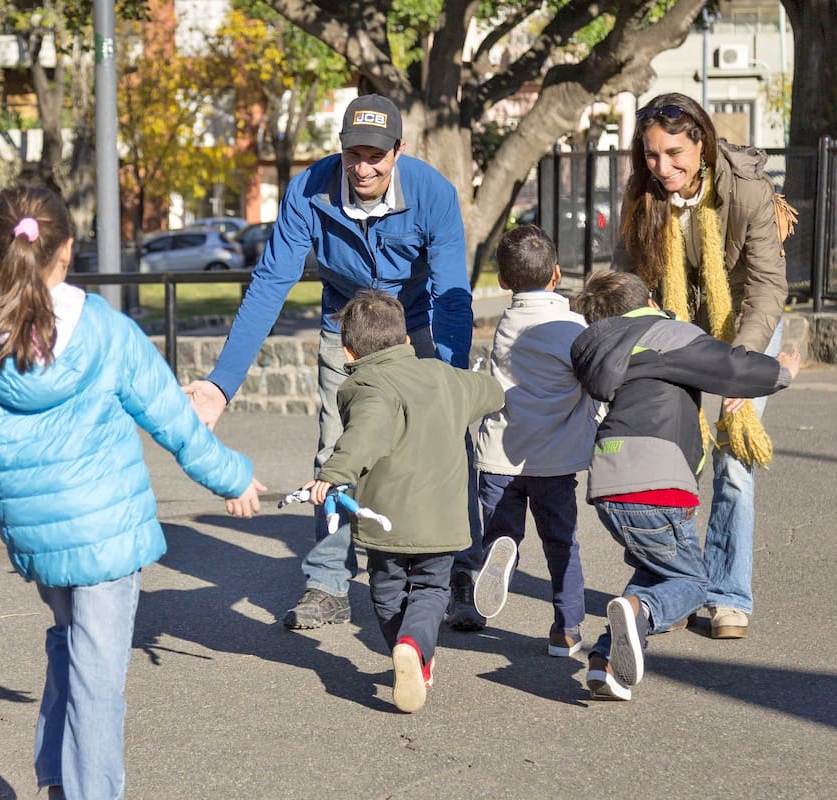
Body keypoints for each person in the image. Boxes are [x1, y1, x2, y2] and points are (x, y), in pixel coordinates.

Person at [0, 184, 265, 800]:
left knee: (70, 645)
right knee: (98, 681)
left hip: (38, 539)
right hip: (106, 536)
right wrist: (234, 476)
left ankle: (56, 779)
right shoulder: (108, 332)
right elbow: (175, 424)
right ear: (69, 250)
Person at [182, 93, 486, 631]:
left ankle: (460, 570)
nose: (362, 167)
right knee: (336, 450)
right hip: (343, 327)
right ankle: (328, 583)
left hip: (416, 325)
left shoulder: (433, 193)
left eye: (375, 155)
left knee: (443, 442)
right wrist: (221, 385)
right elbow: (270, 283)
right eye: (353, 154)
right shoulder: (310, 189)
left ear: (399, 150)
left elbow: (453, 292)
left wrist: (452, 374)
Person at [570, 271, 800, 700]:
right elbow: (730, 366)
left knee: (655, 570)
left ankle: (605, 665)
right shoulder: (664, 334)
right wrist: (781, 372)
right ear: (651, 300)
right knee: (694, 585)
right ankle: (642, 614)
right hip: (657, 484)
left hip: (608, 483)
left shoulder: (595, 347)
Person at [614, 92, 792, 639]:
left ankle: (728, 594)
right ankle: (672, 585)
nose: (662, 168)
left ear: (701, 143)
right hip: (677, 327)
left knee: (734, 460)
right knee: (671, 456)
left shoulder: (746, 190)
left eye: (673, 154)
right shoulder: (644, 195)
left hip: (745, 323)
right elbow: (627, 284)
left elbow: (767, 287)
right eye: (650, 156)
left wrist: (743, 366)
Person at [301, 290, 502, 712]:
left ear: (349, 349)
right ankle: (414, 649)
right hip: (444, 522)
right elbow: (490, 392)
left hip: (385, 522)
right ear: (407, 341)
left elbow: (361, 437)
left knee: (387, 592)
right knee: (431, 590)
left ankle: (405, 651)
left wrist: (333, 475)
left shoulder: (365, 385)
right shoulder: (445, 376)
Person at [470, 225, 596, 657]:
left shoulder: (507, 324)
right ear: (557, 274)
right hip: (553, 462)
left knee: (503, 530)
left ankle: (500, 551)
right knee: (562, 545)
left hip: (499, 457)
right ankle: (566, 629)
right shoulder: (573, 327)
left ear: (503, 282)